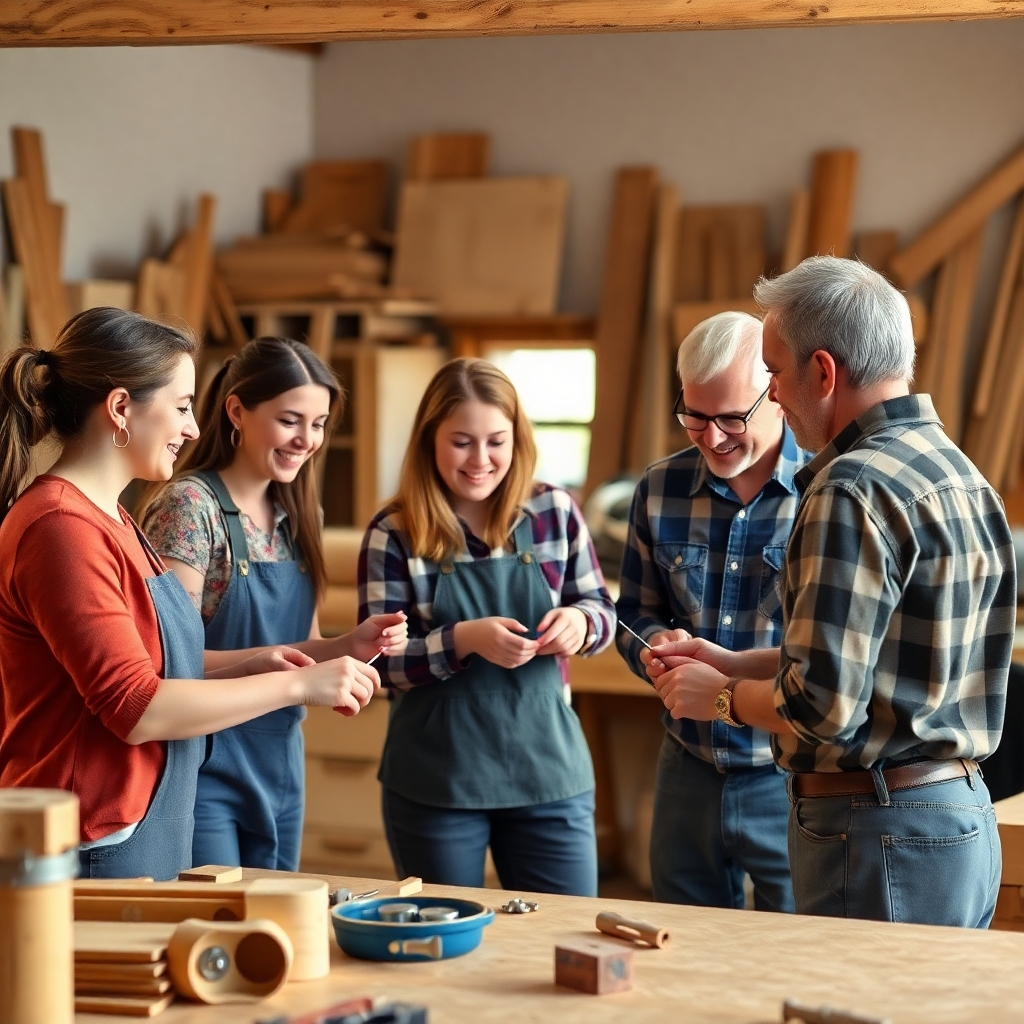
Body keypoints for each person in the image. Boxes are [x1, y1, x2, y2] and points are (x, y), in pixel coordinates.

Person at [649, 256, 1015, 927]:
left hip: (876, 833)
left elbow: (821, 708)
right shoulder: (959, 472)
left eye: (777, 373)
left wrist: (721, 698)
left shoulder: (851, 487)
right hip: (957, 819)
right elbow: (875, 666)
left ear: (822, 371)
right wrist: (734, 663)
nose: (775, 396)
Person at [0, 308, 381, 881]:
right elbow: (136, 709)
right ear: (121, 409)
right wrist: (297, 684)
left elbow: (151, 669)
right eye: (181, 407)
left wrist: (255, 665)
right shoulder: (60, 527)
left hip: (144, 824)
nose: (193, 428)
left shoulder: (114, 520)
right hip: (92, 841)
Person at [141, 336, 407, 871]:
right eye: (290, 420)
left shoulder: (299, 511)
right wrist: (274, 671)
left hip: (280, 764)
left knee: (275, 929)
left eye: (319, 424)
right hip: (204, 764)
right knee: (224, 926)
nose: (307, 440)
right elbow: (165, 665)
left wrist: (347, 646)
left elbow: (294, 649)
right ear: (237, 410)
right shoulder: (190, 507)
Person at [358, 357, 616, 896]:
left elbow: (600, 609)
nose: (481, 460)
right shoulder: (394, 531)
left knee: (561, 937)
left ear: (517, 439)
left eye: (496, 441)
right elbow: (375, 664)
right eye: (461, 442)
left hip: (549, 776)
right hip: (435, 781)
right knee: (444, 944)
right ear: (429, 439)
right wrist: (462, 641)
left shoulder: (554, 510)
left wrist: (579, 622)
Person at [616, 310, 810, 911]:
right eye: (695, 418)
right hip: (687, 766)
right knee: (684, 946)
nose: (713, 437)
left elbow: (830, 658)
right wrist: (653, 651)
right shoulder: (659, 488)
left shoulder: (825, 493)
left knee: (794, 951)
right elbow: (634, 610)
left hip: (791, 774)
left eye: (731, 418)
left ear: (775, 393)